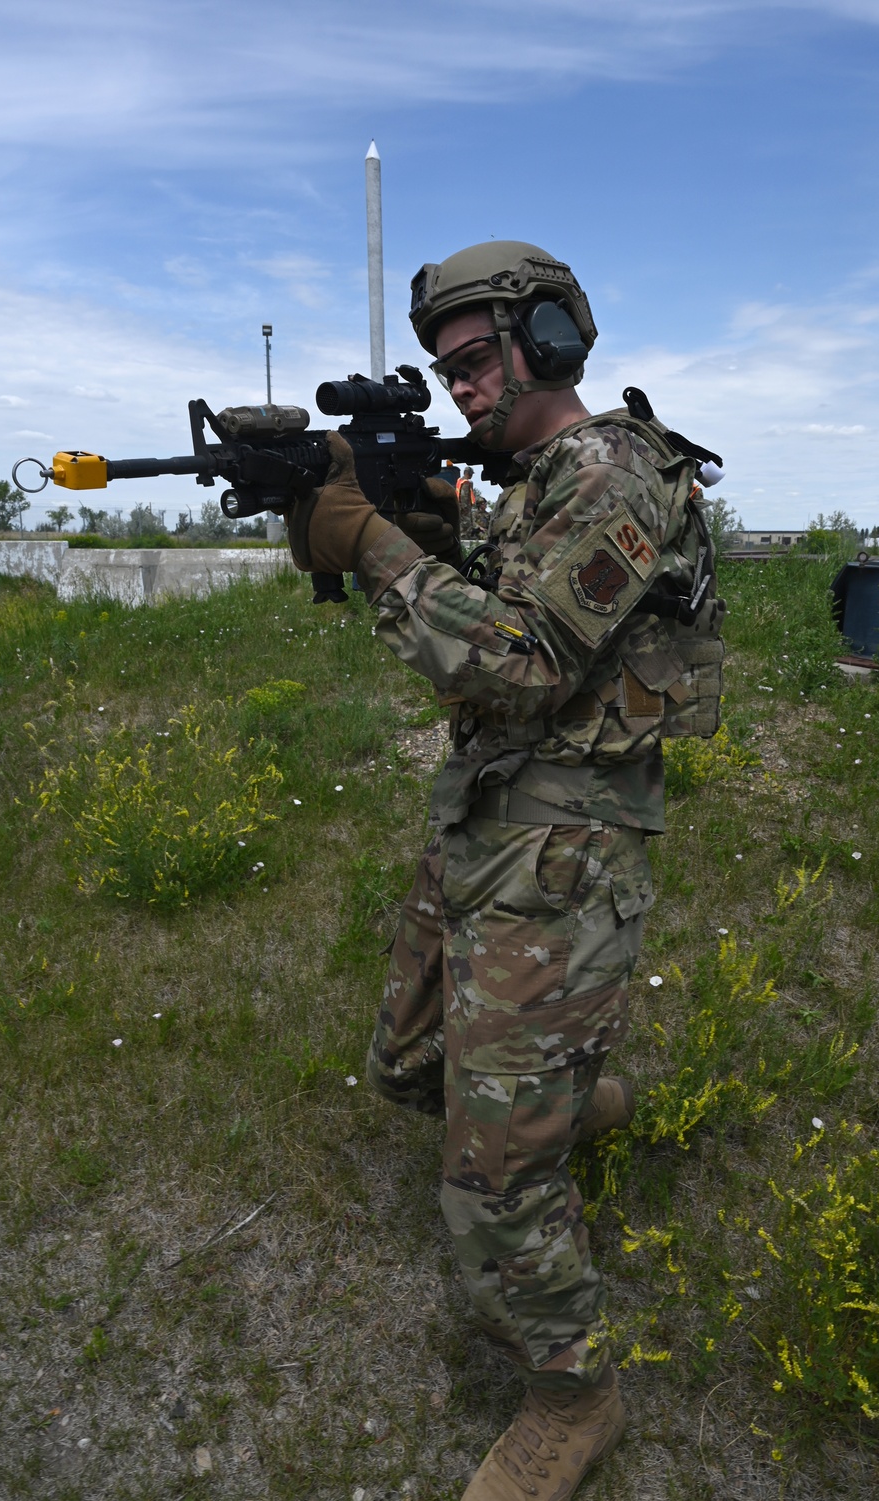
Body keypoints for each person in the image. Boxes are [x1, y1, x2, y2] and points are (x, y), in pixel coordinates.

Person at [282, 240, 721, 1500]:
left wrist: (377, 548)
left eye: (477, 358)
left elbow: (525, 663)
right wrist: (408, 528)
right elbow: (500, 603)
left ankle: (571, 1393)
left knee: (492, 1175)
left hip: (567, 847)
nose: (460, 385)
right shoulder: (533, 483)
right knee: (406, 1061)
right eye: (444, 366)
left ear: (554, 340)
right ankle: (560, 1098)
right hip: (484, 817)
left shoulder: (619, 478)